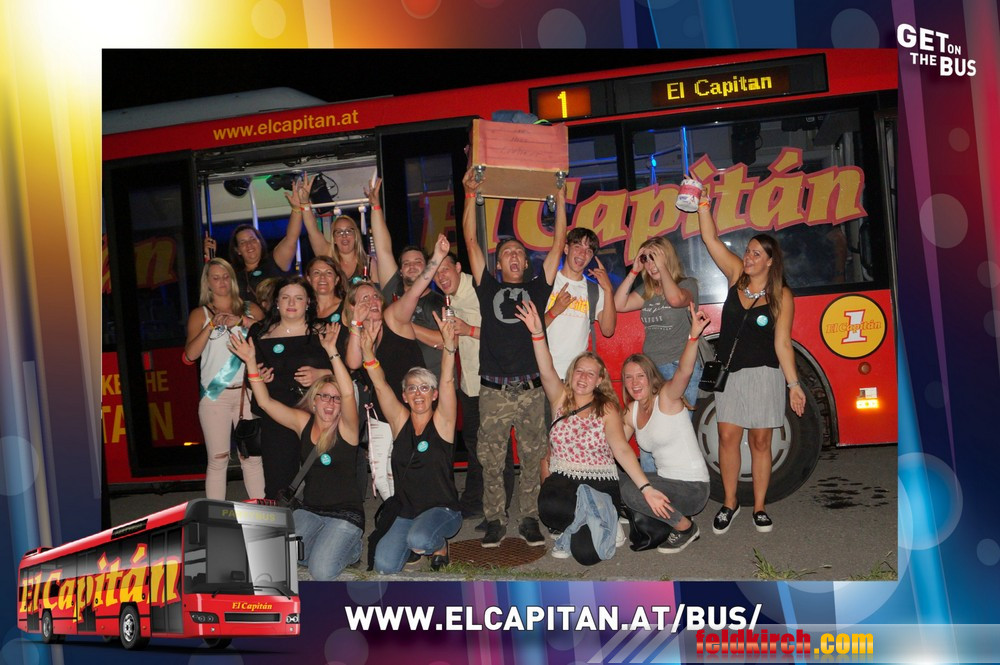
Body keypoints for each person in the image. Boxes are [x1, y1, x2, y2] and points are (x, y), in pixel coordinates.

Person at [513, 300, 671, 564]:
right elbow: (546, 368)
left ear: (599, 380)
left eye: (591, 373)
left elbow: (621, 449)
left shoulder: (606, 408)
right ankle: (584, 521)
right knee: (549, 506)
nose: (584, 377)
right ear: (571, 374)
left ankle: (597, 517)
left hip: (599, 484)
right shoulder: (559, 398)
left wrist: (646, 489)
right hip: (564, 482)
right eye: (579, 371)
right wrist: (537, 333)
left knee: (586, 555)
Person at [461, 168, 567, 548]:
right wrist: (469, 195)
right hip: (493, 391)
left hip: (530, 390)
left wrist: (561, 199)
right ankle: (494, 519)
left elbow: (558, 244)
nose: (514, 256)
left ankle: (529, 518)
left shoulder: (538, 290)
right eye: (507, 253)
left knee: (533, 457)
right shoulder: (487, 286)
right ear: (499, 264)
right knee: (491, 460)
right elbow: (470, 241)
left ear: (525, 262)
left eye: (520, 252)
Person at [696, 188, 806, 534]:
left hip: (765, 375)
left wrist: (794, 385)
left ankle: (759, 507)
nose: (748, 257)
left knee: (760, 442)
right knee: (727, 437)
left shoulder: (781, 295)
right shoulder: (735, 276)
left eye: (756, 253)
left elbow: (783, 343)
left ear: (770, 261)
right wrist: (702, 205)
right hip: (731, 374)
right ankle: (730, 503)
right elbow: (710, 239)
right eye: (748, 251)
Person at [228, 323, 362, 580]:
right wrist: (251, 362)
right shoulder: (303, 422)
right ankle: (324, 544)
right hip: (310, 511)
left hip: (345, 514)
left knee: (321, 571)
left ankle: (352, 549)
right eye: (324, 396)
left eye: (335, 399)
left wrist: (332, 351)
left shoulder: (348, 429)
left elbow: (348, 393)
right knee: (274, 556)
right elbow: (265, 402)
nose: (330, 403)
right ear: (314, 400)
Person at [364, 312, 462, 573]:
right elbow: (380, 384)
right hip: (407, 511)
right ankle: (416, 538)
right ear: (405, 396)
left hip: (442, 510)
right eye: (411, 388)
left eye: (424, 387)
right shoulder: (400, 421)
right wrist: (367, 351)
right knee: (384, 566)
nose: (418, 393)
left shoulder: (443, 422)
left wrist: (449, 346)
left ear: (434, 395)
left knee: (419, 540)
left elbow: (448, 379)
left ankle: (438, 545)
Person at [619, 304, 712, 554]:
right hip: (666, 481)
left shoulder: (667, 398)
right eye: (628, 377)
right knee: (614, 478)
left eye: (640, 376)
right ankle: (653, 513)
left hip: (692, 487)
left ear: (651, 377)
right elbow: (614, 446)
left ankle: (685, 527)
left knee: (631, 490)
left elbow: (684, 371)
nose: (634, 383)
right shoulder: (632, 411)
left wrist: (693, 337)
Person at [433, 254, 515, 525]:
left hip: (493, 382)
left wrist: (469, 329)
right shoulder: (450, 299)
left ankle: (498, 509)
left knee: (497, 448)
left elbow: (506, 333)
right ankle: (473, 501)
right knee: (474, 446)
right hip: (469, 385)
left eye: (445, 269)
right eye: (436, 273)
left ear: (458, 267)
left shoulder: (482, 291)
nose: (441, 277)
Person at [614, 236, 701, 471]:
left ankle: (675, 484)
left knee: (673, 434)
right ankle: (651, 485)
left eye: (655, 259)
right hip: (651, 370)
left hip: (678, 367)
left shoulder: (688, 285)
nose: (650, 265)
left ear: (666, 258)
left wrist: (662, 269)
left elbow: (674, 299)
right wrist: (634, 271)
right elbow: (619, 304)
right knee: (647, 432)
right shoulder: (648, 290)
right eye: (647, 260)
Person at [184, 258, 265, 501]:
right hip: (215, 394)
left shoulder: (251, 309)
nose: (222, 282)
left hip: (248, 393)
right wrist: (210, 326)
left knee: (252, 457)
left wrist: (240, 321)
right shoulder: (199, 314)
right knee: (218, 460)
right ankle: (215, 515)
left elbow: (268, 337)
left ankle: (262, 511)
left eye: (226, 276)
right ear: (207, 283)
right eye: (216, 278)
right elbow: (190, 355)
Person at [249, 276, 333, 499]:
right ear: (277, 302)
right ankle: (281, 519)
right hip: (276, 411)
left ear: (308, 302)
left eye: (298, 298)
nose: (292, 303)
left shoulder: (323, 330)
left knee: (322, 476)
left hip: (316, 410)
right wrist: (258, 376)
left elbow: (348, 369)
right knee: (278, 480)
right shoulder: (259, 332)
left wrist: (322, 373)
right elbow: (249, 374)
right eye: (286, 297)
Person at [367, 177, 446, 376]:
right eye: (406, 263)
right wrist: (375, 206)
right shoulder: (392, 287)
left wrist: (400, 323)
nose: (411, 266)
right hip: (394, 376)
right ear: (400, 270)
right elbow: (383, 249)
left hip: (431, 380)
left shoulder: (439, 301)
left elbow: (445, 340)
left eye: (418, 262)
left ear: (428, 268)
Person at [544, 227, 617, 379]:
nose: (582, 254)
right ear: (566, 249)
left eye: (588, 251)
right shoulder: (547, 283)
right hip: (543, 372)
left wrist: (608, 290)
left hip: (575, 375)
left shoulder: (594, 290)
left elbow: (608, 330)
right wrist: (555, 310)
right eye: (577, 247)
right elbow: (530, 329)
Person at [297, 174, 371, 284]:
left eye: (348, 231)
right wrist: (304, 203)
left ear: (356, 236)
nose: (344, 235)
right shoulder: (328, 255)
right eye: (339, 232)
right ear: (334, 238)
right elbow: (313, 231)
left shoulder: (369, 263)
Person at [305, 255, 347, 324]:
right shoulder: (303, 310)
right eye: (316, 273)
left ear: (336, 280)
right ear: (309, 279)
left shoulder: (348, 308)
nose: (322, 277)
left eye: (328, 273)